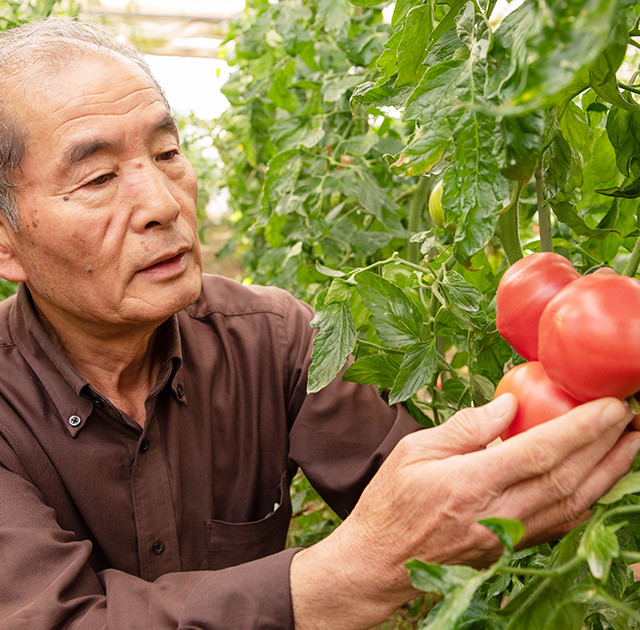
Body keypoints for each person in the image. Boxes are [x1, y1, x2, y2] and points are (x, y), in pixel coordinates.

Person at [0, 16, 637, 630]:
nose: (163, 204)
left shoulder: (269, 339)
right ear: (7, 242)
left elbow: (438, 490)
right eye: (99, 177)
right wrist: (340, 578)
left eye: (167, 152)